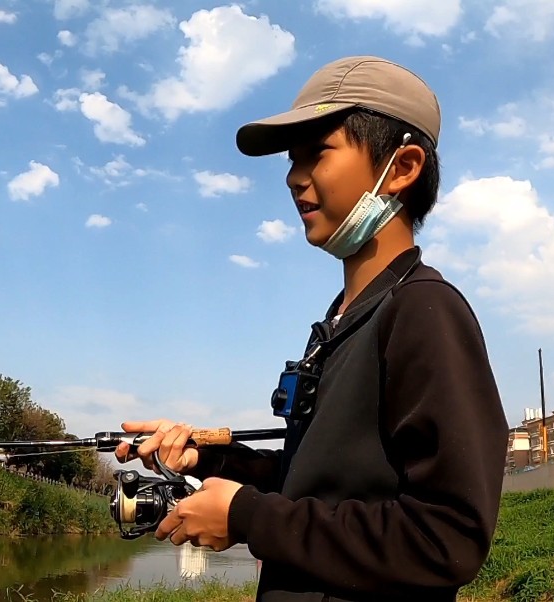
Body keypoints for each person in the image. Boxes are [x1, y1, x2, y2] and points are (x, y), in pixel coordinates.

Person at [115, 56, 509, 602]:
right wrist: (207, 458)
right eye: (291, 160)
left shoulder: (424, 312)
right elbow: (316, 488)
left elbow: (447, 538)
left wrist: (249, 517)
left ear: (402, 167)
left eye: (316, 153)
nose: (294, 177)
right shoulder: (341, 324)